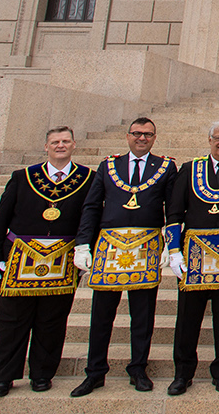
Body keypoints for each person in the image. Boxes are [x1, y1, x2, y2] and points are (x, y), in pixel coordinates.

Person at [71, 118, 177, 397]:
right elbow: (92, 206)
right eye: (137, 134)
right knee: (102, 314)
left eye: (148, 134)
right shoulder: (108, 165)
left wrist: (171, 243)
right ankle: (95, 372)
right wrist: (83, 244)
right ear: (128, 136)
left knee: (142, 314)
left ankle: (138, 368)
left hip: (147, 245)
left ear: (155, 138)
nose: (142, 138)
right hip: (110, 246)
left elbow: (173, 208)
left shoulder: (166, 166)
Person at [0, 126, 92, 397]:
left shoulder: (87, 178)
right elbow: (1, 218)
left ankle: (42, 374)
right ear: (46, 146)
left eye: (65, 141)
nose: (60, 145)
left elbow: (90, 218)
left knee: (52, 321)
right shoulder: (23, 177)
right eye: (55, 142)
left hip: (62, 258)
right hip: (20, 259)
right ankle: (3, 377)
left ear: (74, 145)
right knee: (12, 321)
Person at [164, 119, 219, 395]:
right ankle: (183, 372)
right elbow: (174, 212)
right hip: (193, 258)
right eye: (218, 138)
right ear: (209, 139)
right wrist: (174, 250)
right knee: (187, 318)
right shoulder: (190, 169)